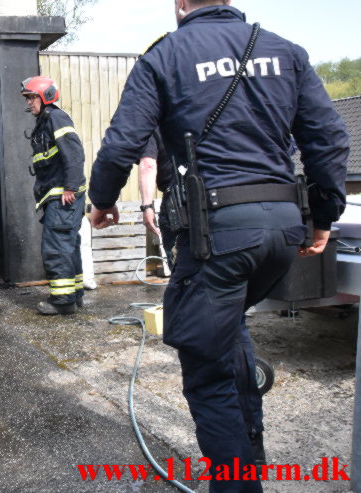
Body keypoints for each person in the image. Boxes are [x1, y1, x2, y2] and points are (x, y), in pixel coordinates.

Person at [88, 1, 348, 491]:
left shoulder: (164, 55)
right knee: (227, 333)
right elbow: (329, 140)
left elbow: (124, 141)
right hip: (281, 227)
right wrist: (324, 216)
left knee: (206, 369)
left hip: (219, 235)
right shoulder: (283, 49)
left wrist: (101, 201)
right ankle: (252, 457)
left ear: (180, 5)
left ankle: (237, 485)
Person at [21, 76, 87, 315]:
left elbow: (74, 153)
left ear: (45, 96)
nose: (29, 103)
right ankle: (75, 294)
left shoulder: (56, 117)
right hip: (58, 196)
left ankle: (62, 300)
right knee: (67, 246)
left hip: (63, 196)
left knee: (56, 247)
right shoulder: (46, 120)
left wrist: (70, 187)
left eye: (31, 97)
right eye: (27, 98)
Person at [138, 130, 176, 269]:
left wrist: (147, 207)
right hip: (221, 195)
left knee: (183, 268)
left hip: (177, 201)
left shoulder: (156, 124)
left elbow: (148, 164)